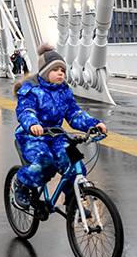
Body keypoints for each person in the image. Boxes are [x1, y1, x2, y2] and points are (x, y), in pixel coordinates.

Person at [11, 44, 107, 209]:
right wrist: (33, 124)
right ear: (45, 72)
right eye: (55, 70)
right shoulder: (31, 90)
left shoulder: (64, 92)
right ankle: (22, 185)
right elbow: (26, 111)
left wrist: (94, 124)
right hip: (33, 135)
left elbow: (74, 113)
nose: (60, 73)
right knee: (44, 161)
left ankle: (73, 201)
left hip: (56, 135)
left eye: (63, 70)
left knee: (73, 163)